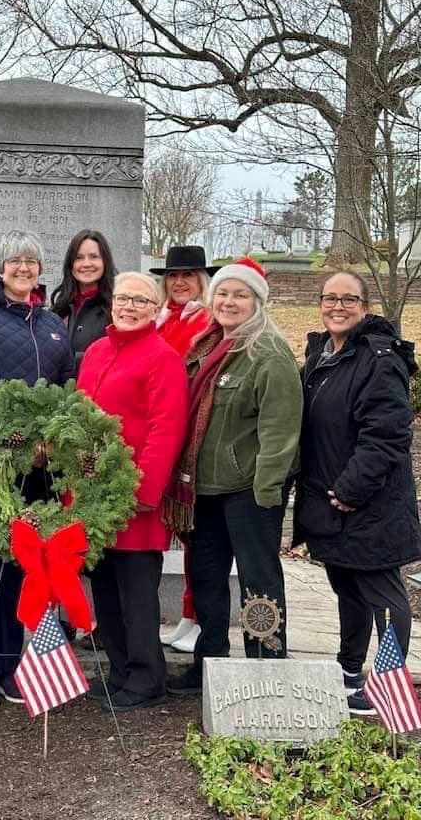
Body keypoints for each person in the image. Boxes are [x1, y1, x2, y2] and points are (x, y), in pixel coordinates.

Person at [165, 257, 303, 696]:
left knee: (258, 582)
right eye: (223, 293)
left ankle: (266, 666)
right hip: (205, 491)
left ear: (256, 302)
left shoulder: (267, 351)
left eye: (240, 294)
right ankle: (210, 661)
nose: (229, 301)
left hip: (249, 493)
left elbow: (280, 430)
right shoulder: (206, 348)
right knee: (207, 581)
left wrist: (267, 492)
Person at [0, 230, 75, 709]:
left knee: (20, 564)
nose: (23, 268)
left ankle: (8, 665)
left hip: (40, 468)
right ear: (0, 268)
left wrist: (53, 438)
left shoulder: (51, 324)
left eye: (31, 262)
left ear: (40, 270)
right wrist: (19, 439)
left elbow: (66, 386)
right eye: (14, 261)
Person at [295, 271, 421, 715]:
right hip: (333, 504)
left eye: (349, 299)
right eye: (330, 298)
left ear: (365, 307)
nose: (338, 306)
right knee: (347, 588)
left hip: (369, 504)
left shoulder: (378, 358)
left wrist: (350, 489)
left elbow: (387, 433)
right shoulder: (322, 355)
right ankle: (349, 671)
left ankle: (385, 688)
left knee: (382, 595)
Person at [77, 272, 188, 711]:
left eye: (140, 301)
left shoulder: (162, 358)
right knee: (105, 590)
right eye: (122, 298)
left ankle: (146, 678)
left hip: (133, 501)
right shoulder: (96, 352)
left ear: (155, 308)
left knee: (137, 594)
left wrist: (143, 489)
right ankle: (121, 671)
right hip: (93, 497)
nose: (128, 307)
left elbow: (166, 428)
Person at [150, 244, 217, 654]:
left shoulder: (206, 321)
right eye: (173, 276)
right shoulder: (160, 321)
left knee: (197, 537)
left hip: (192, 438)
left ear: (201, 281)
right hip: (164, 435)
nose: (179, 282)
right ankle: (186, 617)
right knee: (181, 534)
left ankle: (197, 616)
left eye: (188, 276)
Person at [51, 230, 116, 372]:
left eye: (94, 257)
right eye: (79, 258)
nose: (86, 264)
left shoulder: (117, 308)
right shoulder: (59, 309)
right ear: (71, 264)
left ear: (105, 261)